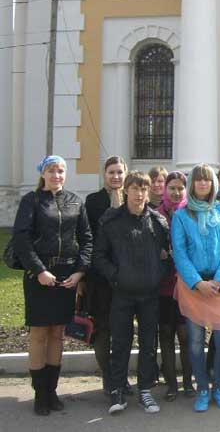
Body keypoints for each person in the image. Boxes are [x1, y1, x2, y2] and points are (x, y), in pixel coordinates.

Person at [12, 155, 92, 415]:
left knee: (58, 333)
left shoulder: (75, 201)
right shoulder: (31, 201)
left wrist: (79, 272)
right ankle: (39, 394)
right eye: (51, 170)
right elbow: (21, 239)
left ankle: (52, 390)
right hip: (39, 276)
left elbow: (87, 239)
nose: (56, 175)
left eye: (60, 170)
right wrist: (39, 271)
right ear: (42, 174)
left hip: (66, 276)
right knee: (39, 334)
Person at [94, 171, 171, 415]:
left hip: (149, 294)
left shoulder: (158, 222)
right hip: (123, 293)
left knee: (149, 343)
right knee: (121, 342)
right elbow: (99, 256)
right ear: (126, 190)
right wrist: (116, 276)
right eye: (135, 189)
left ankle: (145, 390)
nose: (139, 194)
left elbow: (168, 255)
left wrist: (158, 273)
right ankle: (117, 389)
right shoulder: (112, 221)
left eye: (144, 189)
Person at [171, 164, 220, 412]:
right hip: (193, 285)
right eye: (198, 180)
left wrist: (219, 280)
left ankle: (218, 386)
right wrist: (197, 282)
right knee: (196, 343)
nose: (202, 184)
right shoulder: (181, 216)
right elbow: (179, 252)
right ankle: (202, 389)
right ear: (192, 184)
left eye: (207, 180)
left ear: (213, 184)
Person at [84, 155, 127, 396]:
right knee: (103, 328)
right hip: (100, 277)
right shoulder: (93, 201)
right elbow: (88, 238)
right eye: (112, 172)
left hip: (127, 277)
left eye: (120, 172)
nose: (116, 176)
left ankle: (121, 378)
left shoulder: (131, 199)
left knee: (122, 329)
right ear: (104, 174)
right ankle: (108, 378)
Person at [156, 171, 194, 401]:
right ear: (164, 189)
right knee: (166, 334)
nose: (176, 191)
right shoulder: (155, 214)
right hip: (162, 285)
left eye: (180, 188)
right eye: (172, 187)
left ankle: (188, 382)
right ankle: (171, 383)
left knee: (185, 334)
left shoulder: (189, 213)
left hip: (185, 284)